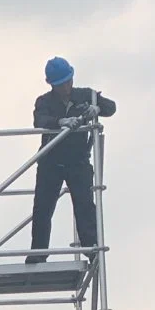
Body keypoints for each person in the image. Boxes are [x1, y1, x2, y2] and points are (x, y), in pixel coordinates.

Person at [25, 57, 116, 265]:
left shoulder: (85, 95)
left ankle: (91, 247)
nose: (66, 87)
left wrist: (97, 109)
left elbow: (111, 107)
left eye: (68, 81)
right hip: (51, 162)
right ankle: (38, 253)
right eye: (61, 84)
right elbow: (39, 120)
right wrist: (60, 122)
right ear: (52, 85)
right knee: (43, 207)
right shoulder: (44, 102)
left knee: (84, 204)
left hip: (78, 162)